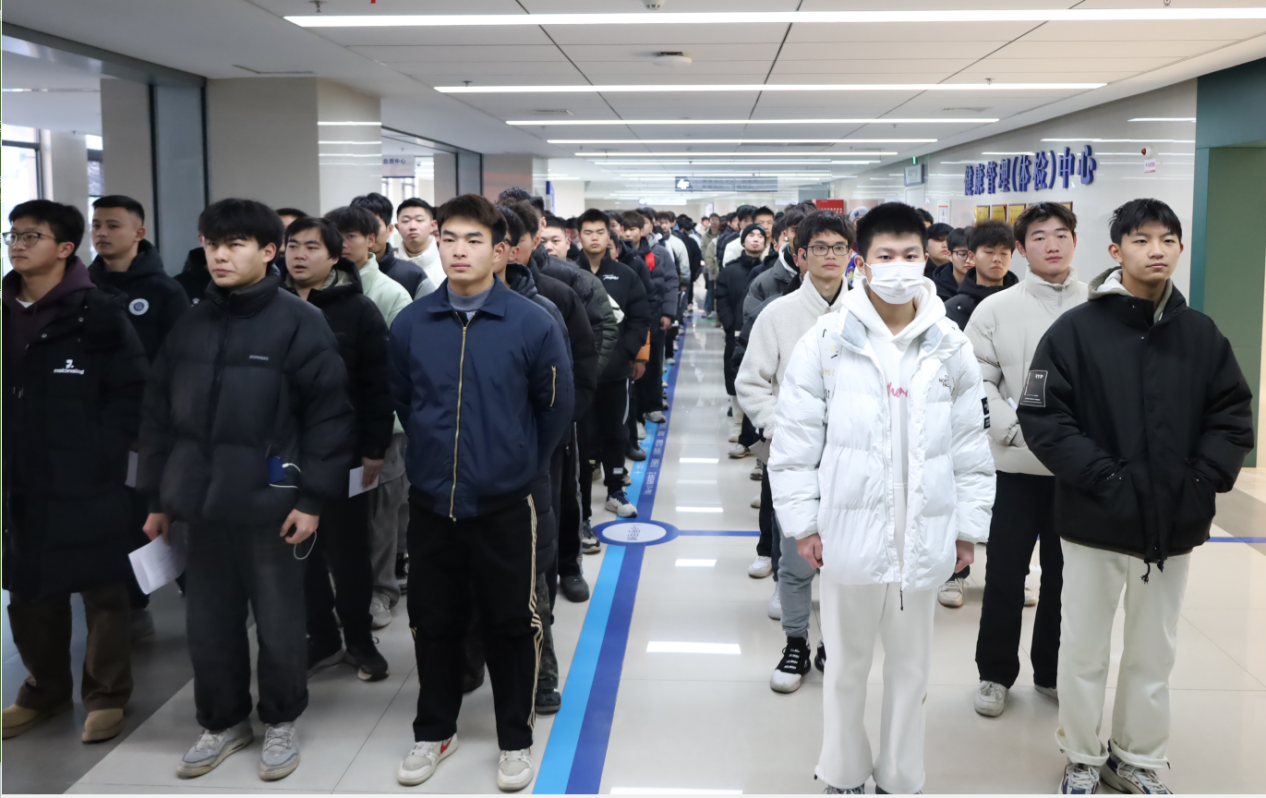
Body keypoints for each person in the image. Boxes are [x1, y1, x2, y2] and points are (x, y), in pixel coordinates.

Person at [1017, 198, 1254, 795]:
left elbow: (1231, 415)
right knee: (1084, 648)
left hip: (1172, 520)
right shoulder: (1075, 331)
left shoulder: (1201, 335)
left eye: (1168, 240)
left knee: (1155, 650)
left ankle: (1137, 757)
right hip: (1094, 517)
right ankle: (1080, 755)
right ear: (1115, 250)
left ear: (1180, 249)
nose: (1157, 251)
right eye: (1142, 239)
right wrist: (1107, 479)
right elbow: (1045, 418)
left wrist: (1200, 482)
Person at [769, 202, 994, 795]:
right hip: (847, 533)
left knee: (912, 669)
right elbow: (793, 443)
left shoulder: (950, 344)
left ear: (927, 258)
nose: (899, 266)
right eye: (886, 255)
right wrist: (803, 524)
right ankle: (843, 771)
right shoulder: (827, 341)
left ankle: (900, 774)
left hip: (924, 531)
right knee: (846, 667)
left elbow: (970, 445)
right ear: (862, 264)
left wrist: (968, 529)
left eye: (910, 254)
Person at [138, 198, 353, 781]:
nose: (220, 256)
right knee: (209, 625)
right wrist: (156, 498)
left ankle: (280, 718)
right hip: (199, 505)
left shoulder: (299, 321)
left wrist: (311, 500)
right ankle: (223, 720)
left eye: (235, 245)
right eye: (212, 244)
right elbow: (157, 416)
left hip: (271, 504)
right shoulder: (191, 321)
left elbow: (330, 418)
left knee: (280, 624)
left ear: (268, 251)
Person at [389, 194, 574, 792]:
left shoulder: (531, 322)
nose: (459, 251)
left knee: (512, 622)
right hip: (431, 502)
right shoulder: (412, 323)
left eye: (473, 240)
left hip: (505, 504)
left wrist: (514, 465)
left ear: (500, 252)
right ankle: (435, 729)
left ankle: (514, 739)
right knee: (432, 619)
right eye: (449, 239)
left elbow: (554, 409)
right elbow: (404, 400)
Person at [2, 200, 147, 745]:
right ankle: (44, 689)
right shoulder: (4, 310)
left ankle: (107, 695)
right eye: (13, 235)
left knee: (102, 588)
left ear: (65, 248)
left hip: (87, 477)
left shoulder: (99, 313)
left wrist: (101, 453)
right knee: (28, 588)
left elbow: (132, 392)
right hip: (17, 477)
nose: (17, 245)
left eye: (31, 236)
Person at [965, 202, 1087, 719]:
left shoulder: (1101, 304)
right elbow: (977, 379)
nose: (1052, 245)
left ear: (1075, 241)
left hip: (1079, 472)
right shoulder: (995, 310)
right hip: (1014, 466)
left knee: (1068, 577)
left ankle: (1052, 670)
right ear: (1021, 248)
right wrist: (1013, 430)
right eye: (1039, 237)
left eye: (1061, 234)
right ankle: (995, 674)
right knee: (1005, 574)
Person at [736, 211, 853, 694]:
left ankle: (834, 644)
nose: (831, 256)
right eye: (820, 248)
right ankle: (796, 643)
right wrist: (781, 430)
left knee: (847, 563)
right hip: (796, 460)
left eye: (840, 247)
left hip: (854, 459)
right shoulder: (778, 314)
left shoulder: (865, 314)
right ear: (800, 255)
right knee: (796, 559)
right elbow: (751, 382)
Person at [281, 216, 393, 684]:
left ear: (333, 257)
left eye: (311, 247)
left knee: (349, 552)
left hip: (346, 451)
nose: (299, 255)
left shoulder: (358, 309)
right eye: (292, 245)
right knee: (298, 550)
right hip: (285, 455)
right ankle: (322, 637)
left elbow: (378, 384)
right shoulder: (271, 306)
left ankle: (360, 640)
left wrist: (374, 447)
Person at [87, 194, 192, 639]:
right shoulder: (82, 289)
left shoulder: (164, 291)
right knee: (114, 523)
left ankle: (201, 599)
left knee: (163, 515)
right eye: (97, 225)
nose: (101, 233)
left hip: (153, 430)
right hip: (100, 431)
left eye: (113, 225)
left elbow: (181, 363)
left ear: (139, 233)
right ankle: (130, 606)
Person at [325, 204, 414, 629]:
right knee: (336, 516)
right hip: (331, 429)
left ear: (372, 241)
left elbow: (399, 369)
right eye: (336, 236)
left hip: (384, 427)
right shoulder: (312, 293)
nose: (343, 244)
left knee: (380, 515)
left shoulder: (391, 294)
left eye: (351, 236)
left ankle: (381, 591)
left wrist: (387, 427)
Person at [576, 209, 651, 520]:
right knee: (579, 437)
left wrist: (628, 353)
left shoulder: (625, 275)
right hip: (578, 374)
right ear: (578, 236)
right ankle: (579, 499)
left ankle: (615, 490)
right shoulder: (568, 273)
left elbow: (640, 318)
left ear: (610, 236)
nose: (594, 238)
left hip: (615, 373)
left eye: (600, 232)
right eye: (588, 232)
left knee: (616, 432)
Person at [716, 223, 768, 449]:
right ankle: (738, 426)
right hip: (736, 332)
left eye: (760, 236)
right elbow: (722, 299)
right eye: (751, 235)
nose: (756, 239)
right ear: (743, 241)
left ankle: (754, 429)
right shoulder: (729, 271)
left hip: (763, 333)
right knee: (735, 377)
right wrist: (730, 325)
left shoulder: (768, 270)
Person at [350, 193, 432, 299]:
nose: (368, 234)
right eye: (360, 226)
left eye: (374, 226)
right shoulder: (339, 273)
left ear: (389, 229)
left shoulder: (413, 275)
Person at [944, 220, 1020, 331]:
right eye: (989, 252)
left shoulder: (1021, 303)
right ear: (972, 256)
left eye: (1004, 253)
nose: (997, 259)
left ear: (1011, 258)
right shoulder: (952, 309)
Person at [395, 198, 443, 292]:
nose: (413, 226)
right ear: (398, 227)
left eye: (419, 220)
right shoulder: (390, 266)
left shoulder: (446, 263)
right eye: (406, 221)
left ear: (433, 225)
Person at [931, 226, 973, 301]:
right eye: (962, 254)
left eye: (974, 255)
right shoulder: (934, 292)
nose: (969, 260)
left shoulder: (989, 286)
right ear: (950, 255)